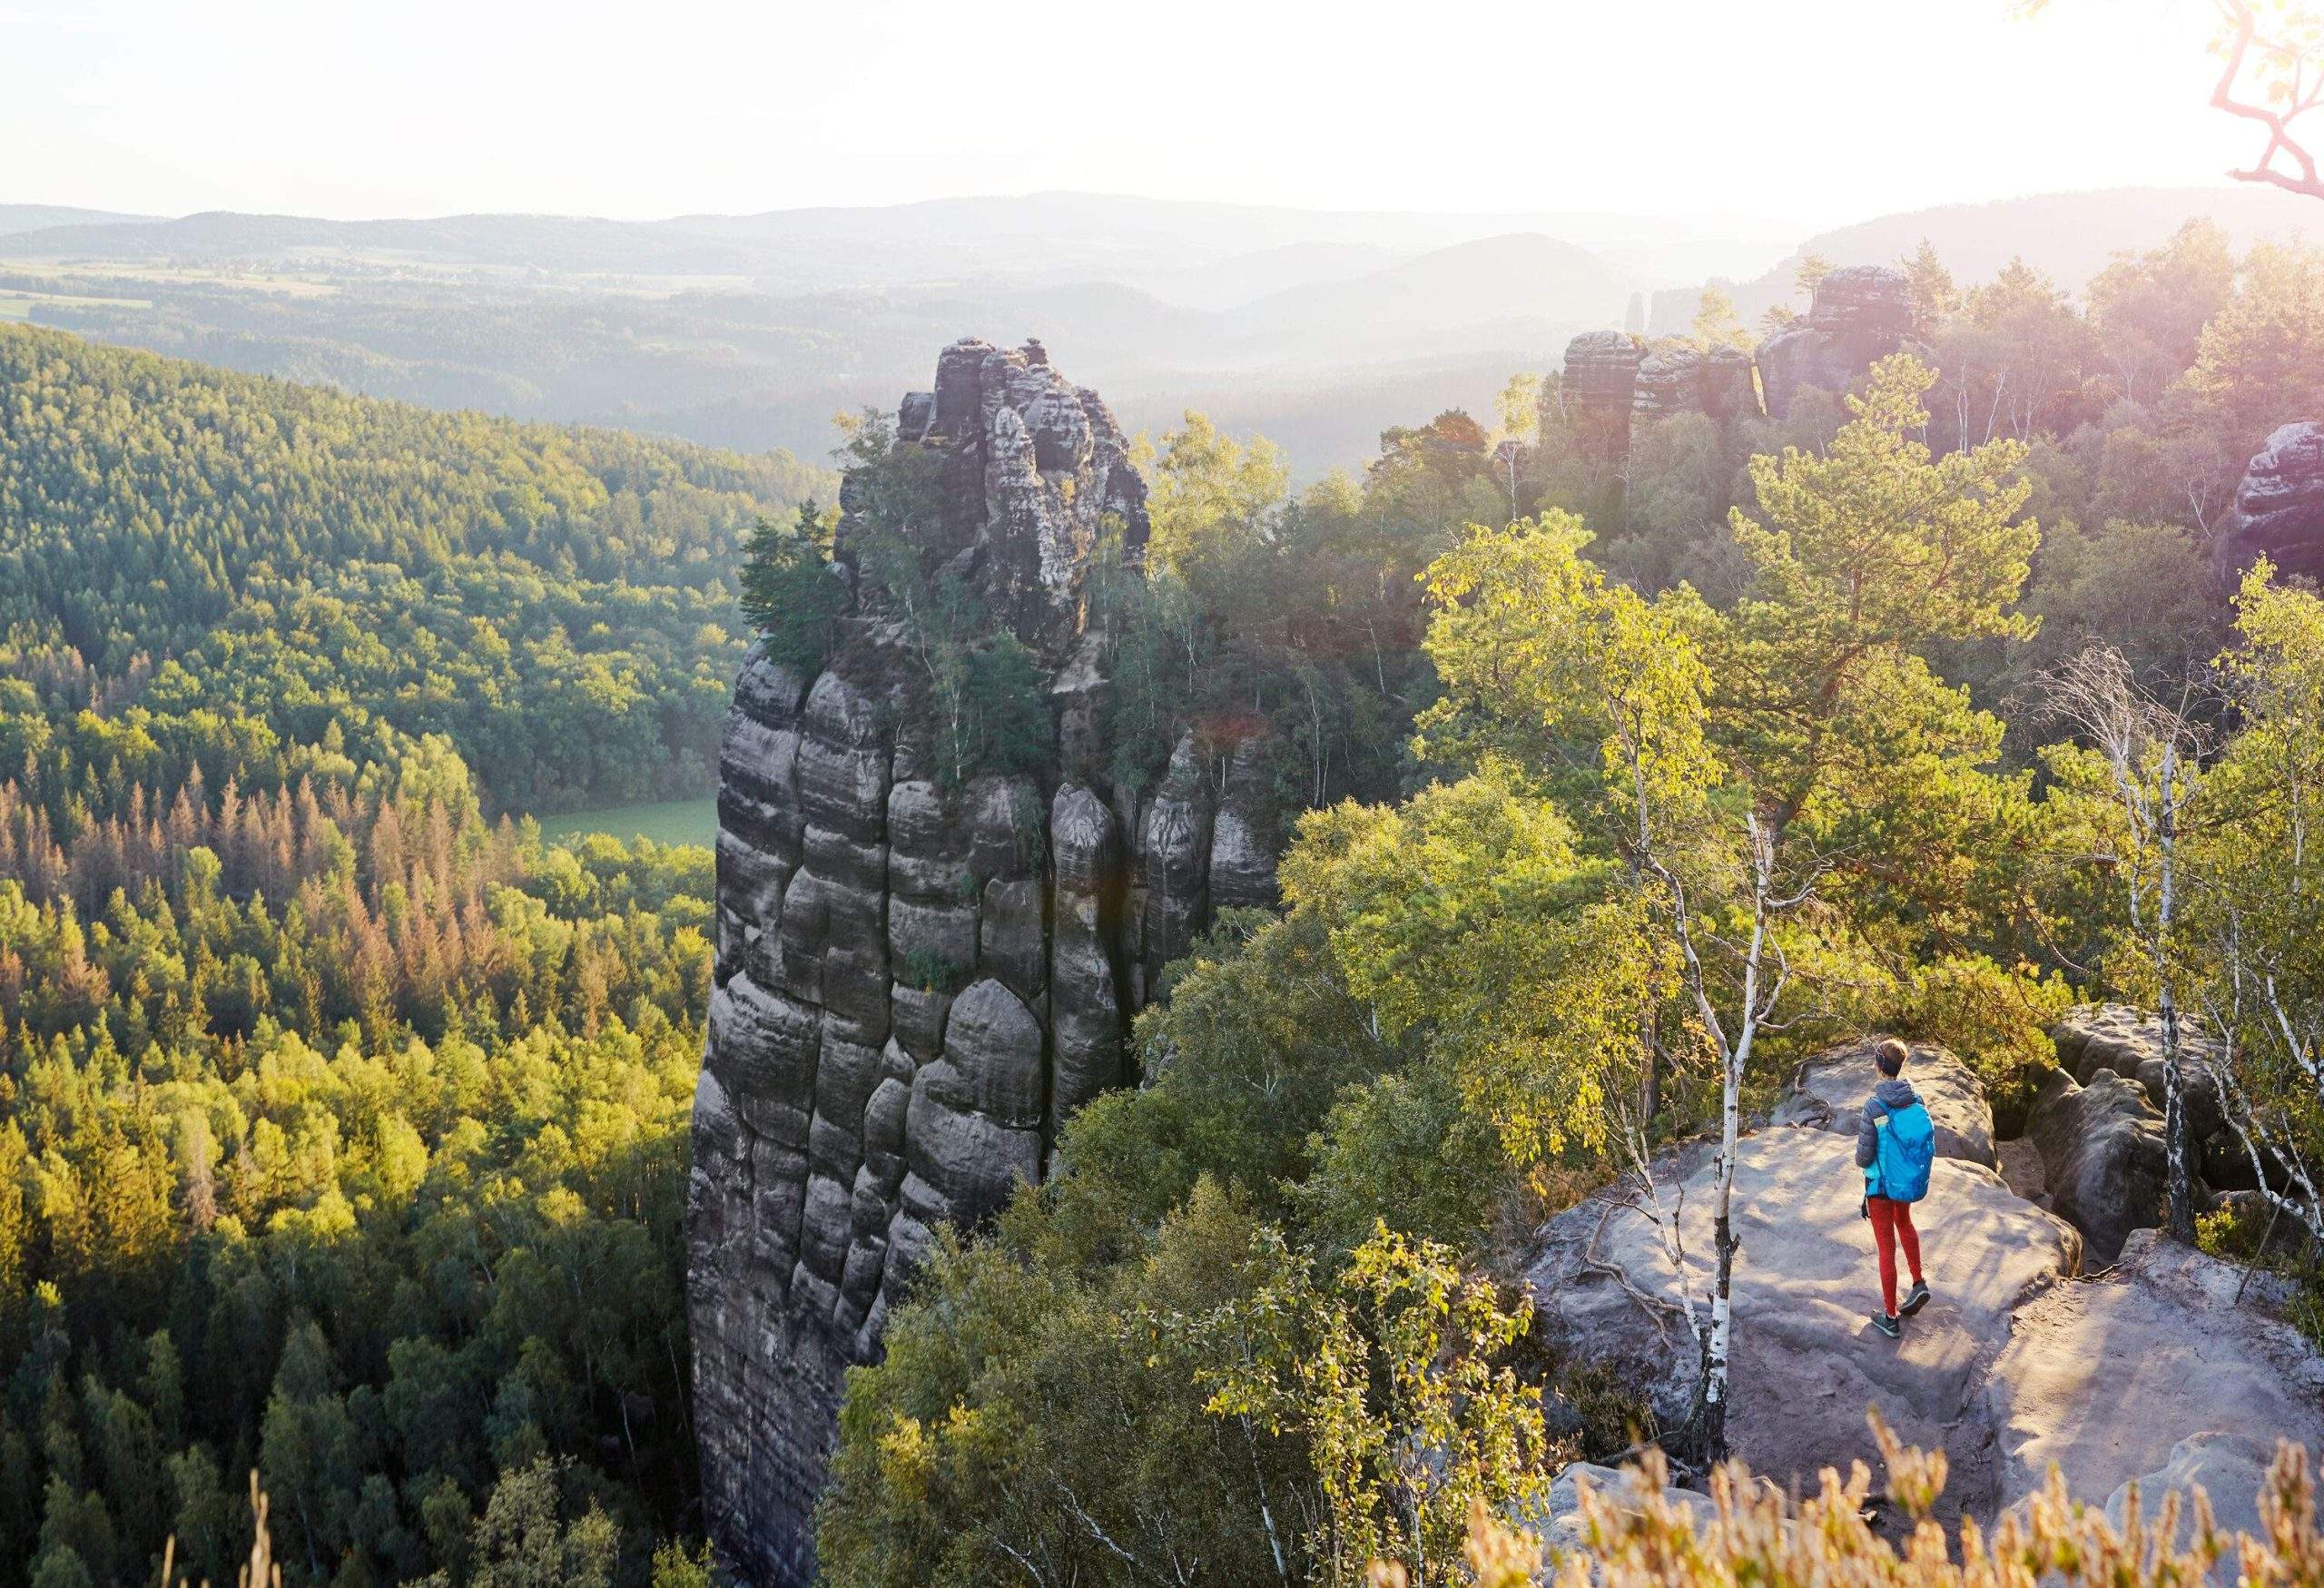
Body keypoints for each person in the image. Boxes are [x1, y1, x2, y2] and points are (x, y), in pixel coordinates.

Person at [1856, 1038, 1935, 1338]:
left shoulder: (1874, 1105)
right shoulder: (1916, 1099)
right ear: (1900, 1066)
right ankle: (1918, 1283)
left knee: (1886, 1248)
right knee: (1905, 1223)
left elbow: (1864, 1156)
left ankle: (1890, 1317)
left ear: (1878, 1066)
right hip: (1904, 1180)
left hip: (1879, 1184)